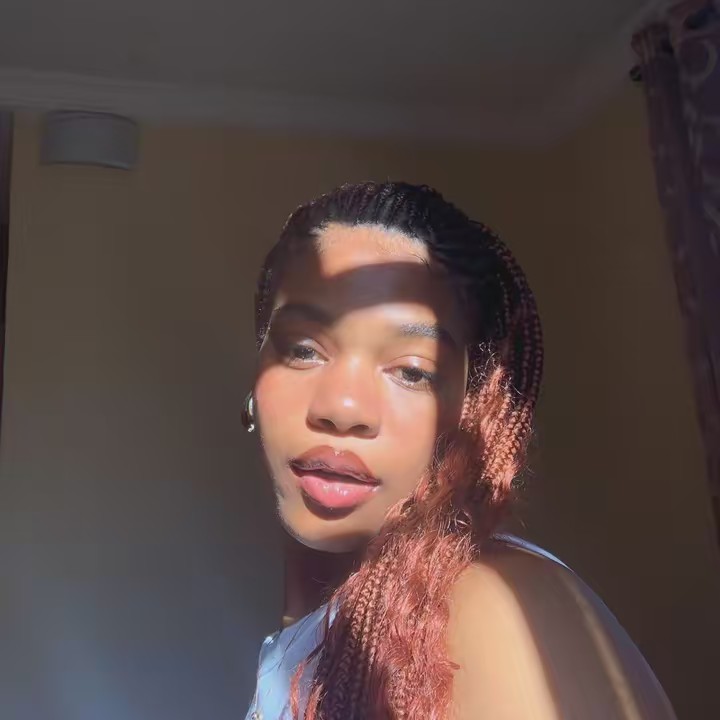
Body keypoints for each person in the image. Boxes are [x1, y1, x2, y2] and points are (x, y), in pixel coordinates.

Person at [242, 182, 675, 719]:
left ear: (472, 408)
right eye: (304, 350)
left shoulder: (490, 607)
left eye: (411, 371)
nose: (343, 407)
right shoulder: (323, 631)